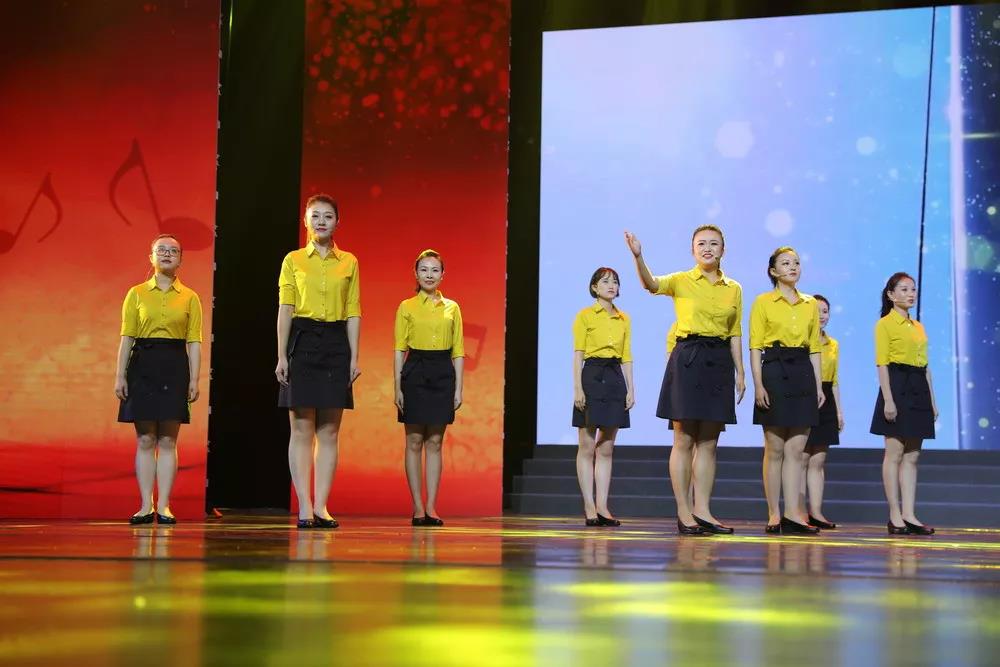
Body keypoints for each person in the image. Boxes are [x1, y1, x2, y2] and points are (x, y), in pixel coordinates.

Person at [626, 226, 744, 535]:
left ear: (723, 250)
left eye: (714, 244)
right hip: (688, 357)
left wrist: (741, 372)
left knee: (710, 441)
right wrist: (638, 257)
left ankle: (703, 510)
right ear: (692, 250)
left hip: (719, 360)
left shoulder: (734, 288)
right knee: (684, 438)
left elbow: (735, 332)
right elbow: (651, 285)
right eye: (701, 244)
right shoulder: (681, 280)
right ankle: (684, 511)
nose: (707, 248)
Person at [276, 194, 361, 530]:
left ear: (338, 222)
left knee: (329, 430)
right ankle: (304, 506)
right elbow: (286, 309)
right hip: (302, 340)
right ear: (306, 222)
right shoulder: (293, 260)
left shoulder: (349, 262)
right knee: (301, 428)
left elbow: (353, 311)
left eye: (328, 216)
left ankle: (322, 506)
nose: (321, 221)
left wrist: (354, 356)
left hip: (336, 343)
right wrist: (281, 355)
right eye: (315, 216)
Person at [116, 234, 202, 525]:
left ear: (181, 260)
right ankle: (145, 505)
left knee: (167, 439)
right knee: (145, 438)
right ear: (151, 257)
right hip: (142, 365)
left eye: (173, 251)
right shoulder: (136, 294)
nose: (167, 254)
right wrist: (120, 375)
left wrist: (194, 379)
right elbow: (127, 338)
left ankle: (164, 506)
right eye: (161, 250)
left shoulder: (190, 297)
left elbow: (194, 342)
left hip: (175, 366)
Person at [750, 246, 823, 535]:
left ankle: (794, 513)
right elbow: (756, 346)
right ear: (773, 271)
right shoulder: (763, 302)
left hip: (802, 371)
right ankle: (774, 513)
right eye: (785, 263)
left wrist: (818, 385)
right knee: (775, 448)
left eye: (796, 263)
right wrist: (758, 384)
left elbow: (815, 348)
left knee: (797, 449)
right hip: (775, 370)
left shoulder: (809, 303)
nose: (793, 267)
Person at [394, 249, 464, 527]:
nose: (429, 275)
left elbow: (458, 350)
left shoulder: (452, 307)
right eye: (424, 269)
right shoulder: (406, 307)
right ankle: (417, 507)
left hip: (442, 372)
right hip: (415, 370)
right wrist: (397, 386)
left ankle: (432, 507)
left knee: (435, 441)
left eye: (435, 270)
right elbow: (399, 349)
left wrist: (458, 388)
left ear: (443, 275)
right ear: (416, 273)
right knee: (413, 440)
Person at [870, 272, 937, 536]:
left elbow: (926, 366)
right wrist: (888, 399)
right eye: (904, 289)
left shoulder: (918, 326)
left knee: (913, 455)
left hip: (919, 387)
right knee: (894, 452)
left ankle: (909, 514)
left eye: (913, 289)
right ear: (891, 294)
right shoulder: (884, 324)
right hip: (897, 385)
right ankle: (894, 514)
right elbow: (882, 364)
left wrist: (932, 400)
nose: (911, 294)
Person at [571, 267, 634, 527]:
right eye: (605, 281)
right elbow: (578, 354)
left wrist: (631, 388)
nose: (611, 285)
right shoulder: (585, 315)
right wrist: (578, 388)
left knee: (606, 446)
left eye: (615, 282)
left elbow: (627, 356)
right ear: (594, 287)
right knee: (587, 446)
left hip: (615, 377)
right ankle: (589, 506)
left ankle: (602, 506)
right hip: (592, 376)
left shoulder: (624, 318)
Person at [801, 294, 843, 530]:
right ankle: (797, 512)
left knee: (819, 459)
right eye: (817, 311)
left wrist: (839, 412)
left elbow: (834, 381)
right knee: (801, 457)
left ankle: (816, 512)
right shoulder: (802, 341)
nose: (822, 316)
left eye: (825, 311)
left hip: (826, 398)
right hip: (806, 396)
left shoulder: (833, 344)